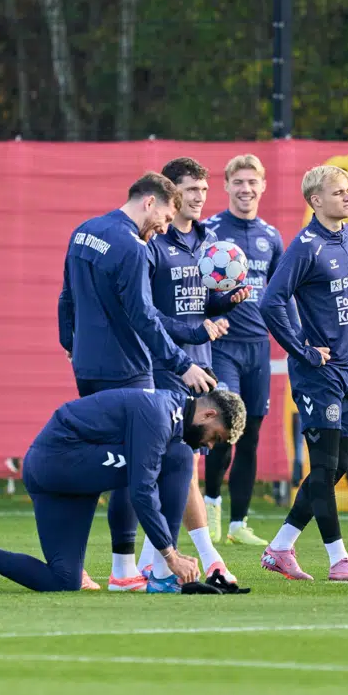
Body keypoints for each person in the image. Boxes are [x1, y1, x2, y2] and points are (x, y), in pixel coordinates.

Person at [57, 173, 217, 591]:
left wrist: (70, 342)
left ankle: (75, 563)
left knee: (100, 465)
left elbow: (66, 296)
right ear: (150, 202)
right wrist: (182, 364)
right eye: (165, 216)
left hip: (88, 367)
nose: (164, 227)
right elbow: (144, 316)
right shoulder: (132, 247)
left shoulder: (85, 231)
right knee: (139, 465)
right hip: (127, 369)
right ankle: (125, 570)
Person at [0, 387, 246, 594]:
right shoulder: (159, 414)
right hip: (59, 463)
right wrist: (170, 556)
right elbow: (141, 490)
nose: (209, 446)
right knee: (176, 457)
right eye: (215, 437)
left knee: (63, 580)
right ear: (209, 414)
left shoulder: (170, 412)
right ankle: (162, 574)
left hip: (62, 475)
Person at [139, 157, 250, 582]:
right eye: (190, 190)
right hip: (165, 365)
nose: (199, 198)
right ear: (171, 193)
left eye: (204, 190)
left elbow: (203, 305)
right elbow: (145, 313)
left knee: (183, 468)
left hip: (200, 365)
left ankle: (151, 562)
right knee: (178, 465)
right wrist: (192, 329)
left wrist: (226, 302)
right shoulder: (153, 241)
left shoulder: (209, 240)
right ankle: (203, 557)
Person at [259, 165, 348, 582]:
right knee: (323, 467)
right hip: (317, 374)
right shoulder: (305, 247)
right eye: (338, 192)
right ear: (315, 200)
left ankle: (280, 547)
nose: (347, 196)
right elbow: (271, 300)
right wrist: (301, 350)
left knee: (341, 465)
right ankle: (339, 560)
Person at [202, 154, 284, 546]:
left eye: (252, 182)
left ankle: (239, 525)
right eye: (239, 182)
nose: (246, 189)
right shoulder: (210, 231)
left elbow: (280, 295)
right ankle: (211, 504)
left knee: (250, 435)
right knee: (223, 427)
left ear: (263, 186)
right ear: (226, 186)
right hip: (223, 347)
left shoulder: (272, 236)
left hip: (258, 348)